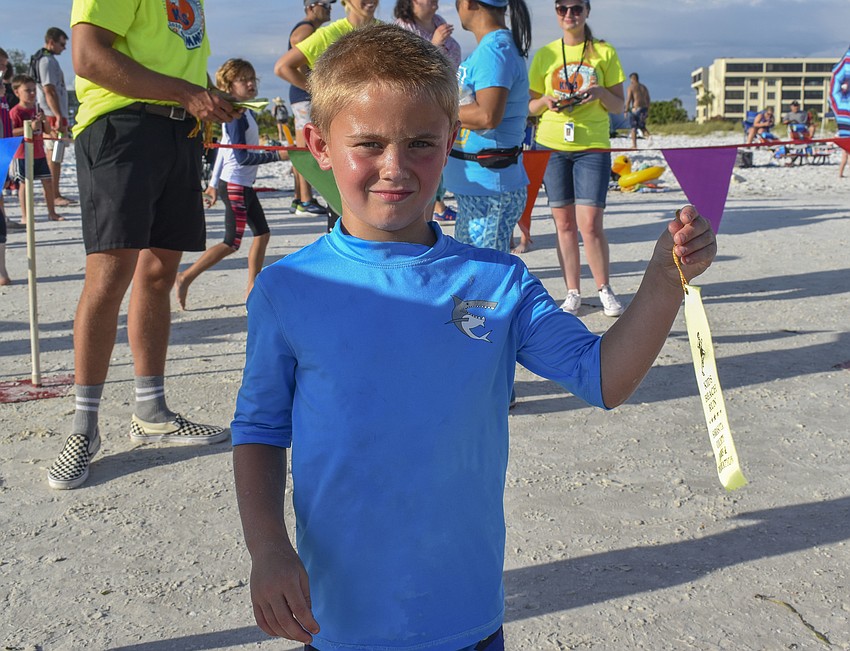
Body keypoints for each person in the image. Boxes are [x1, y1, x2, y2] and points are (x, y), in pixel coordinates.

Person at [230, 24, 717, 651]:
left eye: (421, 144)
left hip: (465, 614)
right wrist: (269, 549)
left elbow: (604, 378)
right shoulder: (286, 290)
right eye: (369, 144)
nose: (394, 167)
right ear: (318, 145)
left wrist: (663, 280)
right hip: (341, 619)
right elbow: (260, 431)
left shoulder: (498, 280)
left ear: (452, 142)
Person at [46, 0, 240, 491]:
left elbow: (172, 58)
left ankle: (151, 410)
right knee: (109, 275)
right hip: (120, 127)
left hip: (178, 131)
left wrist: (206, 98)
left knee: (157, 273)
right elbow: (88, 57)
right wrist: (186, 92)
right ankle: (83, 428)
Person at [528, 0, 626, 316]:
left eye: (576, 8)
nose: (569, 14)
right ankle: (573, 292)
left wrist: (599, 94)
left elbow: (619, 106)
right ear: (556, 13)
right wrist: (545, 101)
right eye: (562, 8)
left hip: (592, 144)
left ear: (586, 11)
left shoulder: (604, 52)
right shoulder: (545, 54)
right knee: (564, 223)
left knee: (591, 224)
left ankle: (604, 288)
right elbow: (529, 106)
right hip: (551, 145)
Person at [174, 58, 287, 310]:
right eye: (242, 79)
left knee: (262, 234)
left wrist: (213, 184)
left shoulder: (240, 111)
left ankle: (252, 289)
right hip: (236, 183)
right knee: (231, 243)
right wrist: (276, 154)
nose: (250, 83)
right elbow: (241, 156)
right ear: (228, 85)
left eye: (252, 78)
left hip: (237, 183)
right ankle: (185, 277)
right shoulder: (237, 117)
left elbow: (225, 152)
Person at [443, 0, 531, 254]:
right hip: (480, 189)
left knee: (483, 280)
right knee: (475, 275)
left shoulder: (495, 50)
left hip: (489, 188)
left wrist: (434, 110)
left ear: (468, 3)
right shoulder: (492, 47)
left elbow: (486, 115)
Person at [393, 0, 462, 222]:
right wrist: (435, 44)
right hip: (409, 109)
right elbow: (402, 71)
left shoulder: (440, 25)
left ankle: (429, 221)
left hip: (440, 103)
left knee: (434, 165)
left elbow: (454, 63)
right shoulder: (402, 29)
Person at [284, 0, 335, 217]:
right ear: (311, 6)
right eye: (325, 3)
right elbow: (297, 40)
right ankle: (305, 200)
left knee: (302, 146)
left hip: (302, 94)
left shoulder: (311, 28)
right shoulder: (306, 28)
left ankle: (301, 198)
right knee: (306, 147)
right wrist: (312, 80)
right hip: (304, 94)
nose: (330, 7)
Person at [9, 74, 65, 224]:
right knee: (25, 184)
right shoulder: (16, 112)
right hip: (22, 154)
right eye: (28, 90)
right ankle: (25, 215)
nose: (32, 93)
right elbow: (11, 131)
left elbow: (46, 130)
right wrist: (28, 127)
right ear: (17, 92)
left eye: (34, 90)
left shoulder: (37, 108)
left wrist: (45, 122)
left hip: (39, 153)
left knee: (48, 181)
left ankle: (52, 212)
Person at [33, 27, 76, 207]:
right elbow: (48, 89)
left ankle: (55, 192)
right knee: (54, 156)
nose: (64, 48)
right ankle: (53, 194)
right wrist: (58, 115)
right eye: (62, 44)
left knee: (57, 155)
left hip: (55, 113)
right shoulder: (46, 61)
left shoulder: (48, 60)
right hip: (52, 114)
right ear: (51, 41)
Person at [624, 71, 650, 149]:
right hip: (644, 108)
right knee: (642, 126)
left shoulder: (631, 87)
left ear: (632, 79)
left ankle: (634, 145)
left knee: (633, 127)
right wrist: (647, 109)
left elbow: (629, 99)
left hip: (636, 109)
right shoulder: (644, 87)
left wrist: (626, 110)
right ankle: (649, 137)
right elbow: (648, 99)